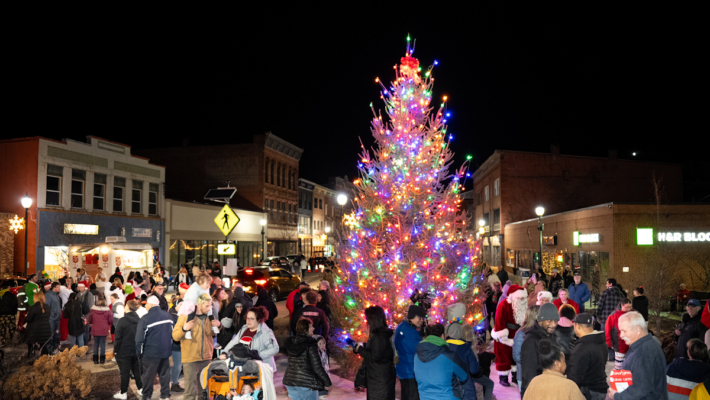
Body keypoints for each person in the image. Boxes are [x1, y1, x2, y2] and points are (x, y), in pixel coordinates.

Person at [607, 311, 668, 400]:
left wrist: (617, 396)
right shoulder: (644, 344)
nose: (621, 335)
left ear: (638, 329)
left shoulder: (644, 352)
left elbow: (640, 389)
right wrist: (617, 378)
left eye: (624, 331)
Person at [172, 293, 215, 400]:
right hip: (190, 360)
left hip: (207, 359)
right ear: (199, 305)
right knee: (190, 392)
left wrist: (217, 326)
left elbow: (211, 335)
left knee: (204, 391)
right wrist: (184, 329)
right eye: (206, 306)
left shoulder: (209, 318)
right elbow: (175, 336)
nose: (209, 308)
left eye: (210, 306)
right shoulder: (185, 316)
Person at [414, 323, 469, 400]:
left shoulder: (416, 356)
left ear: (426, 337)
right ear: (443, 336)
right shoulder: (450, 356)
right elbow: (464, 376)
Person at [351, 306, 396, 399]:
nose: (366, 322)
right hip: (381, 377)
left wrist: (359, 349)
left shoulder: (379, 336)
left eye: (367, 319)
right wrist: (362, 346)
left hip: (379, 380)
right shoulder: (383, 334)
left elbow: (375, 356)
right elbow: (378, 350)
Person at [282, 318, 332, 400]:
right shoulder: (311, 344)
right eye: (311, 326)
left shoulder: (291, 343)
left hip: (290, 381)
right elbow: (317, 366)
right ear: (305, 329)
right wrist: (327, 382)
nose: (313, 328)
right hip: (306, 383)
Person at [135, 295, 174, 400]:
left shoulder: (145, 319)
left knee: (148, 376)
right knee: (164, 375)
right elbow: (172, 334)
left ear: (151, 305)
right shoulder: (168, 316)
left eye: (147, 304)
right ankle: (165, 395)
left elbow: (139, 339)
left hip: (150, 353)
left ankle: (147, 396)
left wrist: (139, 353)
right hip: (165, 351)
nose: (146, 306)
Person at [223, 306, 280, 372]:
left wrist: (258, 355)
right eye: (247, 318)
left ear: (259, 320)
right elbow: (234, 342)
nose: (248, 321)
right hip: (245, 367)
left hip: (262, 369)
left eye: (252, 319)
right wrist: (225, 352)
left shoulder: (265, 332)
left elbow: (275, 348)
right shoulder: (244, 329)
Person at [492, 284, 528, 386]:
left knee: (516, 356)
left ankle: (515, 376)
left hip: (518, 335)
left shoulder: (524, 306)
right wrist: (502, 335)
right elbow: (499, 320)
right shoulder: (503, 304)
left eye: (523, 297)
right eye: (519, 297)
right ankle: (503, 377)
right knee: (504, 357)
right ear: (513, 296)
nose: (521, 299)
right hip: (505, 334)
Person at [521, 302, 559, 397]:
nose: (553, 324)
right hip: (537, 391)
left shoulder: (551, 335)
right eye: (549, 321)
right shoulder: (531, 340)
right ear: (540, 320)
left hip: (548, 388)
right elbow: (529, 372)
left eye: (556, 321)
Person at [567, 313, 608, 400]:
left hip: (589, 392)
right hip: (601, 389)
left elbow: (575, 377)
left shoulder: (582, 348)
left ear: (577, 325)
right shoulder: (601, 342)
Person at [113, 300, 143, 400]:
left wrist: (115, 350)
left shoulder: (122, 320)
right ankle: (141, 389)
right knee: (137, 370)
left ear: (128, 307)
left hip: (123, 351)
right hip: (135, 350)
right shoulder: (139, 319)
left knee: (124, 372)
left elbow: (118, 337)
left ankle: (123, 393)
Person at [395, 304, 426, 400]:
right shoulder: (409, 332)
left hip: (403, 369)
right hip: (410, 371)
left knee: (406, 396)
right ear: (413, 316)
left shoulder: (403, 326)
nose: (421, 321)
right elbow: (419, 350)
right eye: (419, 318)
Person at [446, 321, 480, 400]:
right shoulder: (466, 347)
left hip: (449, 386)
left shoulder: (443, 347)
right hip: (466, 386)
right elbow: (474, 370)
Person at [514, 305, 540, 389]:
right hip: (524, 375)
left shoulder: (541, 332)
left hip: (539, 375)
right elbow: (516, 356)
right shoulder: (521, 333)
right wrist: (533, 361)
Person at [606, 298, 633, 369]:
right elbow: (607, 329)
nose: (629, 309)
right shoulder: (613, 315)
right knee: (619, 366)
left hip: (631, 344)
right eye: (627, 307)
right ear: (621, 305)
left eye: (630, 307)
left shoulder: (632, 313)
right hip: (619, 344)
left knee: (630, 364)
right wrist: (609, 342)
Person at [25, 291, 52, 357]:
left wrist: (26, 316)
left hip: (35, 332)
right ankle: (45, 359)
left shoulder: (34, 307)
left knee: (31, 345)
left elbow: (28, 319)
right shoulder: (47, 307)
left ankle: (31, 358)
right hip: (45, 330)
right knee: (44, 346)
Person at [88, 294, 113, 364]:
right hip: (104, 329)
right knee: (102, 344)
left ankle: (95, 359)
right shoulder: (107, 311)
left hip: (95, 328)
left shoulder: (93, 310)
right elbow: (110, 320)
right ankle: (102, 359)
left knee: (96, 344)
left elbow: (90, 319)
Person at [168, 296, 184, 393]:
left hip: (180, 344)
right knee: (177, 365)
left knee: (178, 365)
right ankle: (174, 384)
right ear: (175, 305)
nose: (182, 306)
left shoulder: (180, 314)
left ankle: (174, 382)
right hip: (175, 344)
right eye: (180, 304)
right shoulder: (173, 316)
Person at [44, 282, 62, 353]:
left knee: (57, 335)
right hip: (51, 319)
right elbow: (47, 307)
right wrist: (52, 315)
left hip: (57, 319)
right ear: (54, 288)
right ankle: (49, 351)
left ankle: (55, 348)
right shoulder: (48, 295)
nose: (59, 288)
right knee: (51, 335)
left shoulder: (56, 295)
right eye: (58, 287)